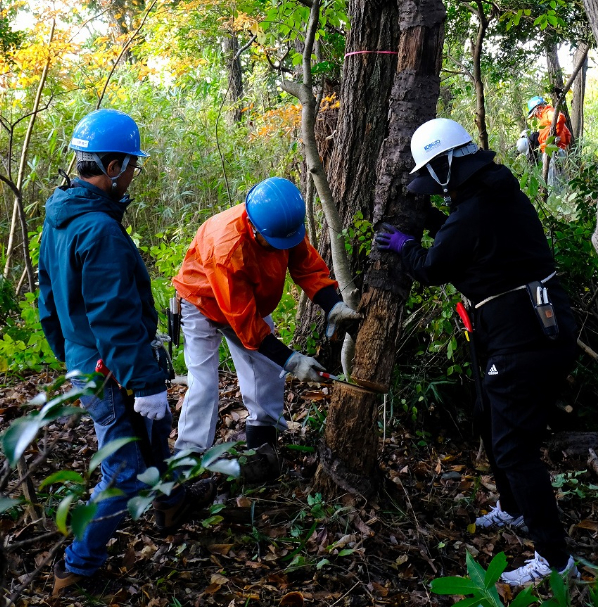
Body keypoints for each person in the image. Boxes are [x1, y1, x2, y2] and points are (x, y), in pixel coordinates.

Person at [375, 118, 579, 587]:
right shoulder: (490, 193)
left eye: (432, 177)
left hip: (523, 335)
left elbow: (433, 266)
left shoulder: (477, 209)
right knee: (489, 416)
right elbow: (473, 241)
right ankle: (512, 509)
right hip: (515, 326)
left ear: (449, 166)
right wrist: (432, 221)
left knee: (513, 447)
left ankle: (555, 560)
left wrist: (406, 246)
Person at [38, 109, 215, 597]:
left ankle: (172, 503)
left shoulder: (60, 218)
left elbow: (48, 302)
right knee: (124, 473)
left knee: (154, 436)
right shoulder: (100, 232)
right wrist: (144, 383)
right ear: (112, 168)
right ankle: (77, 566)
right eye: (131, 165)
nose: (133, 173)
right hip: (110, 371)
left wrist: (70, 356)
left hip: (88, 362)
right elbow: (114, 317)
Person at [172, 176, 359, 481]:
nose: (279, 248)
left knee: (266, 375)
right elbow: (246, 327)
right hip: (202, 302)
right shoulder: (228, 247)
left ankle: (262, 450)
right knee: (204, 383)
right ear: (253, 226)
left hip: (250, 304)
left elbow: (306, 266)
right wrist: (293, 360)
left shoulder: (284, 224)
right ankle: (187, 461)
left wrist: (333, 305)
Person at [520, 96, 571, 163]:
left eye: (535, 114)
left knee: (553, 173)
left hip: (553, 152)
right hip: (556, 151)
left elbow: (560, 117)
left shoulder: (548, 112)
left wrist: (554, 137)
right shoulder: (546, 118)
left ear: (539, 108)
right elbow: (568, 135)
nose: (536, 116)